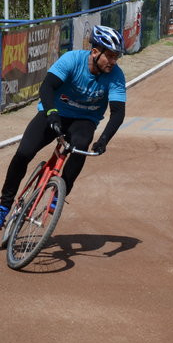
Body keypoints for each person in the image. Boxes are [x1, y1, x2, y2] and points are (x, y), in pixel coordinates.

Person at [0, 25, 126, 229]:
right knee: (23, 153)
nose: (113, 61)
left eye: (116, 57)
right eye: (110, 56)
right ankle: (4, 206)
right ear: (95, 52)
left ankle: (60, 193)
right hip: (54, 112)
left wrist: (103, 140)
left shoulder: (116, 75)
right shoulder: (72, 60)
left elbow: (118, 113)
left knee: (81, 145)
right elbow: (47, 87)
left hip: (84, 121)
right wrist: (51, 113)